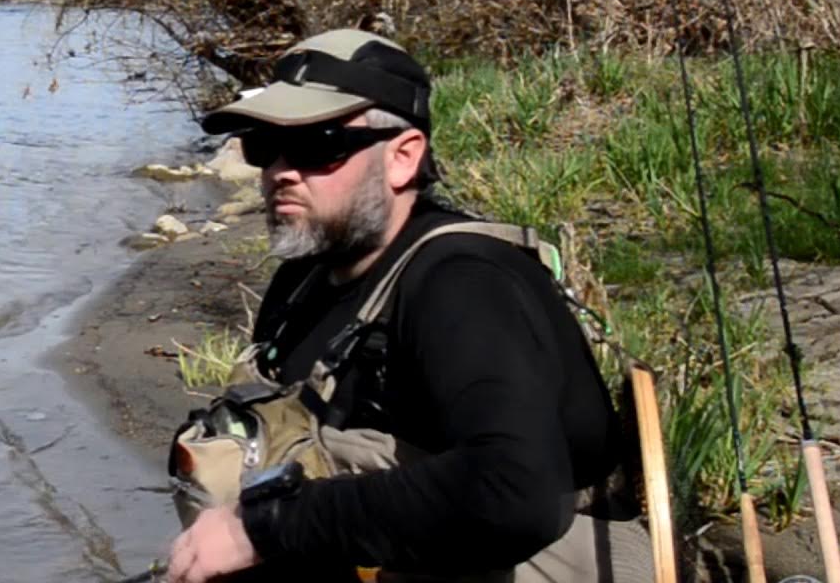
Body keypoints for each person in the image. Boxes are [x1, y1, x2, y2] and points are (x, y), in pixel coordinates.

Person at [165, 29, 652, 582]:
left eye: (316, 144)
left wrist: (262, 527)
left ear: (402, 158)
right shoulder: (301, 281)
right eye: (263, 146)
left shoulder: (465, 283)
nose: (281, 171)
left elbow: (515, 493)